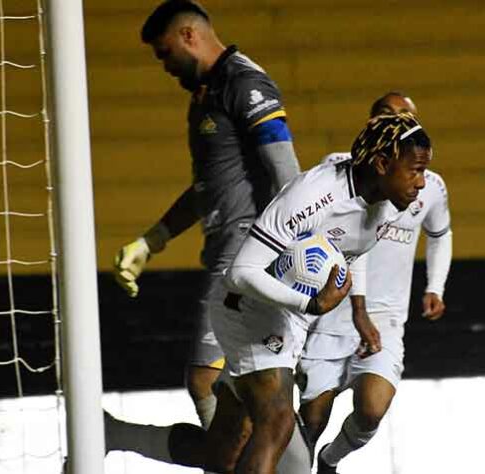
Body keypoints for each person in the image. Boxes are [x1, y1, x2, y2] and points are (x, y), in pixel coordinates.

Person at [104, 113, 432, 473]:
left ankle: (115, 433)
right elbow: (242, 272)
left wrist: (353, 307)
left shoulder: (387, 205)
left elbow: (348, 251)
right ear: (383, 164)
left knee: (224, 456)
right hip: (249, 312)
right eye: (415, 170)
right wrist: (311, 302)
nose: (422, 183)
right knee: (278, 425)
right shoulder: (315, 194)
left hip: (287, 320)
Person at [112, 0, 300, 430]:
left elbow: (288, 174)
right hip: (226, 251)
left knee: (205, 380)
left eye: (165, 54)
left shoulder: (245, 84)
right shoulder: (205, 96)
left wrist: (288, 252)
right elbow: (210, 188)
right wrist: (152, 239)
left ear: (188, 37)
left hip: (245, 254)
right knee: (250, 394)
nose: (165, 66)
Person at [297, 93, 453, 473]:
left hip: (383, 317)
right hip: (332, 313)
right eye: (387, 115)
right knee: (311, 421)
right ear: (370, 123)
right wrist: (356, 309)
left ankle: (330, 461)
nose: (397, 123)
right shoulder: (339, 168)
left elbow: (440, 233)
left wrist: (436, 285)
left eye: (406, 117)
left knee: (371, 410)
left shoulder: (428, 185)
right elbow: (355, 243)